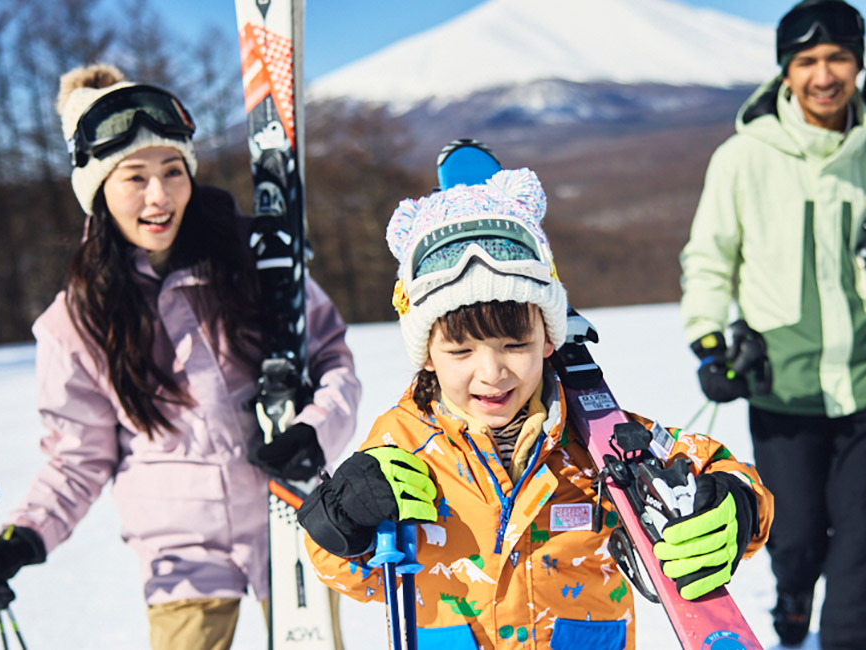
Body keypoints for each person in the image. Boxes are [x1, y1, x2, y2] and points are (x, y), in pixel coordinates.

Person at [0, 63, 361, 650]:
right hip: (179, 552)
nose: (159, 196)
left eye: (173, 171)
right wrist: (23, 536)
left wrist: (315, 432)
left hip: (288, 516)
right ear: (98, 190)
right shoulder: (77, 321)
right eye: (135, 177)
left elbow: (332, 360)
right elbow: (76, 458)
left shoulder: (253, 260)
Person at [296, 167, 774, 650]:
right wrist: (342, 518)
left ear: (547, 339)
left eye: (514, 345)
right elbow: (345, 571)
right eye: (461, 351)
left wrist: (735, 503)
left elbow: (714, 465)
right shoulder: (403, 442)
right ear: (427, 355)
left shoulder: (600, 439)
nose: (491, 372)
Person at [678, 1, 866, 648]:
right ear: (785, 71)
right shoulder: (745, 156)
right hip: (782, 382)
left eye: (838, 58)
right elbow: (710, 257)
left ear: (859, 65)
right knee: (794, 532)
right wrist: (709, 342)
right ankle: (794, 590)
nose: (823, 75)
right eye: (807, 61)